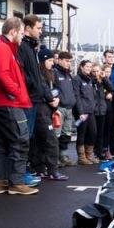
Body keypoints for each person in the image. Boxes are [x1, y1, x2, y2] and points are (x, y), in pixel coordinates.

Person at [0, 17, 37, 195]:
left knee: (3, 142)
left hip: (4, 103)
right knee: (20, 141)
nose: (23, 37)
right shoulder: (2, 49)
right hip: (9, 103)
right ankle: (16, 182)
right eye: (22, 33)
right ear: (13, 31)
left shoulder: (4, 48)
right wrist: (16, 91)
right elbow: (2, 75)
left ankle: (0, 181)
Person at [31, 48, 67, 180]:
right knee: (51, 141)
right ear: (43, 60)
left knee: (40, 141)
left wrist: (56, 99)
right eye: (50, 60)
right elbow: (43, 89)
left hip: (47, 109)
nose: (53, 63)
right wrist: (52, 100)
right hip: (41, 110)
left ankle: (40, 169)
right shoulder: (39, 73)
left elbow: (56, 89)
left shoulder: (50, 73)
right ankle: (52, 171)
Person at [18, 15, 44, 187]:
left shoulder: (32, 47)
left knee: (30, 135)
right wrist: (33, 84)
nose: (40, 31)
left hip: (34, 97)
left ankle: (26, 170)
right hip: (27, 97)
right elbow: (22, 72)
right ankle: (21, 174)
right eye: (38, 28)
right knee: (24, 136)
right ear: (28, 28)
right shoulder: (23, 47)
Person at [54, 52, 77, 167]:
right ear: (60, 60)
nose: (69, 63)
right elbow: (52, 90)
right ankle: (55, 158)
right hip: (60, 108)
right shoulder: (55, 73)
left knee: (66, 134)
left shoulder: (68, 75)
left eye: (70, 61)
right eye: (67, 61)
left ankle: (63, 155)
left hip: (69, 108)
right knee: (56, 134)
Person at [72, 60, 97, 165]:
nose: (89, 68)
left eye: (90, 67)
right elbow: (77, 96)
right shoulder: (77, 79)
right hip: (82, 112)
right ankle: (82, 157)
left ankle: (89, 155)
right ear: (81, 67)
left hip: (90, 111)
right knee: (82, 134)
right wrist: (80, 112)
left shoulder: (89, 79)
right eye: (87, 66)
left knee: (93, 133)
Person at [91, 63, 113, 161]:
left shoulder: (102, 81)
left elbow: (111, 88)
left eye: (97, 71)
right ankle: (92, 152)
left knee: (101, 132)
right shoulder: (90, 81)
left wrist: (104, 78)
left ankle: (99, 152)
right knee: (93, 133)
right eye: (94, 71)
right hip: (93, 110)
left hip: (102, 110)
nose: (96, 73)